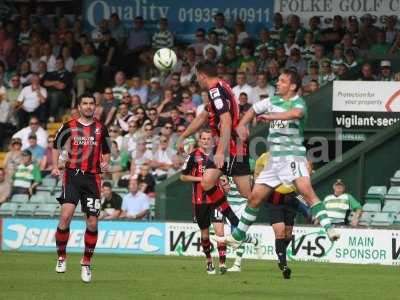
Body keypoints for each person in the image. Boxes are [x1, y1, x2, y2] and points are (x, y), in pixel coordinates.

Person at [217, 69, 340, 249]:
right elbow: (252, 109)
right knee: (254, 199)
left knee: (307, 192)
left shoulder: (299, 103)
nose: (278, 83)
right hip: (274, 160)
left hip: (292, 156)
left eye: (282, 81)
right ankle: (238, 236)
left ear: (292, 86)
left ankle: (330, 229)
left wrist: (272, 116)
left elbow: (295, 114)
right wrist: (242, 124)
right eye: (279, 80)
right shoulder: (272, 100)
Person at [178, 61, 259, 246]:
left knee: (247, 194)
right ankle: (239, 228)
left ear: (201, 75)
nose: (197, 80)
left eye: (197, 76)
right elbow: (203, 116)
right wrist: (183, 135)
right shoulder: (223, 86)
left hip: (231, 146)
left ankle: (240, 228)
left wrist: (221, 152)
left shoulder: (215, 90)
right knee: (248, 194)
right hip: (235, 145)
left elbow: (227, 120)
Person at [51, 92, 111, 283]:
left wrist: (106, 163)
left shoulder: (102, 128)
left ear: (95, 106)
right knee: (65, 216)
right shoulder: (69, 126)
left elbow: (107, 152)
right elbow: (56, 146)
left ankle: (86, 263)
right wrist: (54, 166)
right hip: (72, 176)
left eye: (90, 103)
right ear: (79, 107)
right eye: (84, 103)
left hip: (93, 179)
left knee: (92, 223)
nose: (87, 106)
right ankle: (61, 257)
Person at [180, 130, 230, 274]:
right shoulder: (193, 156)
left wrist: (224, 179)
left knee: (220, 231)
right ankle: (209, 261)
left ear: (212, 141)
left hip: (216, 198)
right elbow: (183, 177)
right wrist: (202, 179)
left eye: (209, 139)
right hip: (200, 200)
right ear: (199, 140)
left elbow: (223, 172)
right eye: (203, 139)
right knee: (205, 233)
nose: (206, 141)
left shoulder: (218, 155)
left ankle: (222, 264)